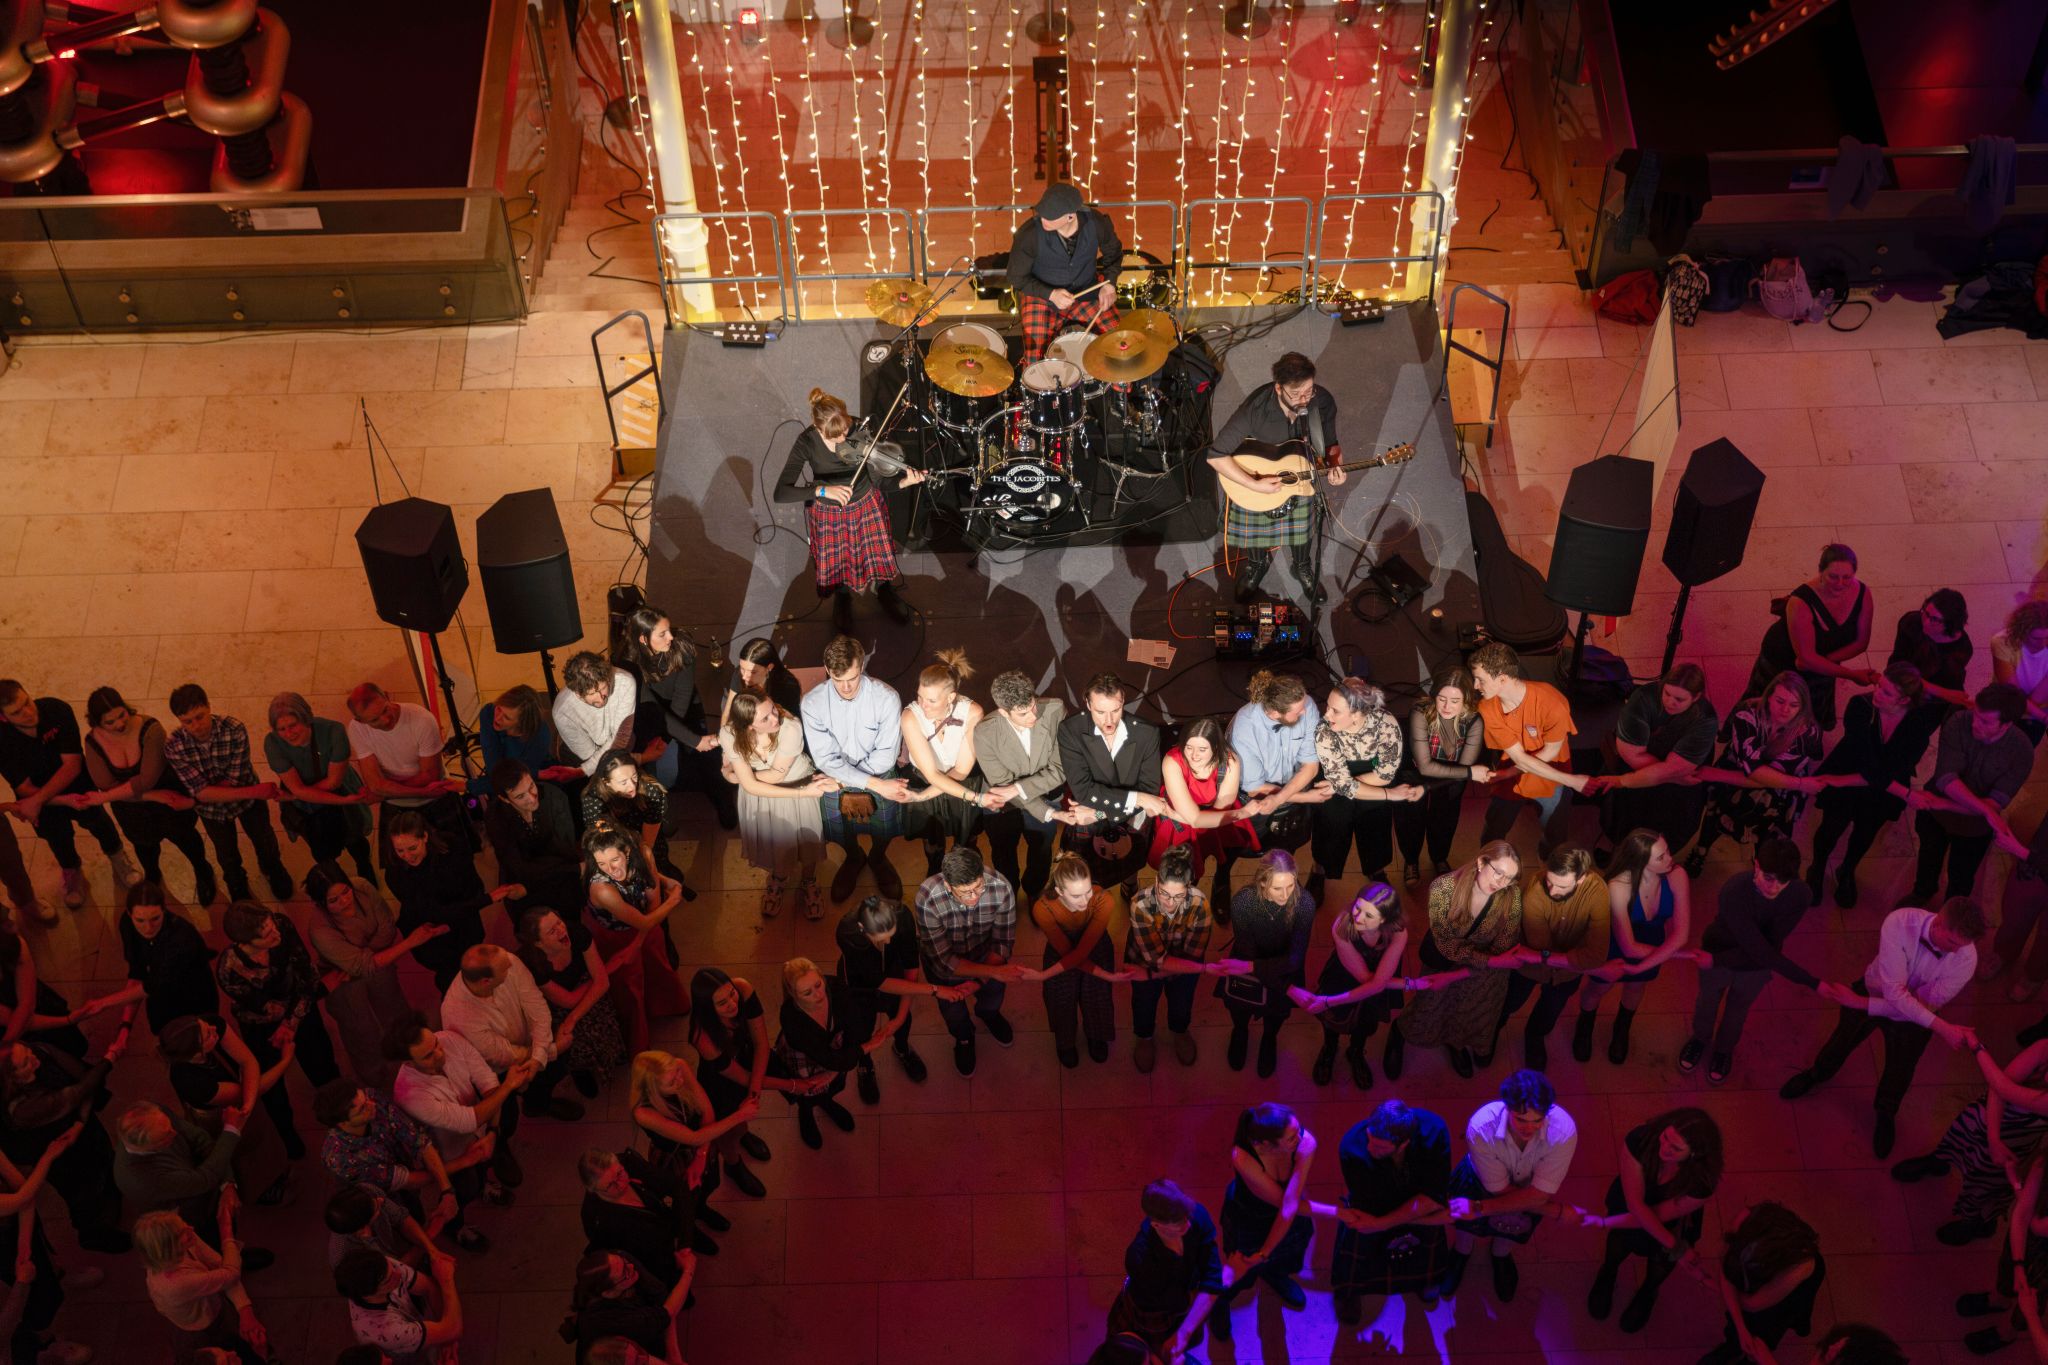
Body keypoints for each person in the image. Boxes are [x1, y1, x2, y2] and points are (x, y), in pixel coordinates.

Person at [1780, 896, 1986, 1156]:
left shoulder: (1966, 958)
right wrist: (1943, 1028)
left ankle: (1886, 1112)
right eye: (1953, 943)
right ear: (1938, 924)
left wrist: (1859, 1003)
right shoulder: (1899, 923)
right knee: (1841, 1040)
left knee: (1901, 1068)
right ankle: (1817, 1074)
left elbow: (1920, 1003)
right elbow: (1895, 994)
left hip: (1906, 1014)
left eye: (1963, 946)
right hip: (1874, 990)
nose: (1957, 951)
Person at [1206, 352, 1346, 613]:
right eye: (1297, 394)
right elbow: (1215, 457)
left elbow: (1330, 441)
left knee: (1303, 530)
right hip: (1256, 481)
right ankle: (1256, 564)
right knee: (1256, 536)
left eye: (1309, 390)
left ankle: (1302, 565)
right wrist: (1255, 485)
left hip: (1299, 474)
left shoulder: (1321, 401)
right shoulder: (1254, 411)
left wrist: (1334, 465)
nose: (1304, 400)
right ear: (1278, 388)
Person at [773, 389, 922, 632]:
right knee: (839, 561)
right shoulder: (806, 442)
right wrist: (821, 491)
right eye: (835, 435)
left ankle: (884, 590)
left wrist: (905, 482)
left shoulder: (857, 431)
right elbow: (781, 493)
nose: (844, 438)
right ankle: (842, 597)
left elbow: (879, 480)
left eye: (845, 428)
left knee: (876, 552)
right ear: (818, 427)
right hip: (829, 512)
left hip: (865, 504)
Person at [1682, 837, 1826, 1086]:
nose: (1775, 887)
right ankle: (1700, 1039)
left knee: (1738, 1010)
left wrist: (1717, 959)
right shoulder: (1735, 891)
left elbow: (1763, 949)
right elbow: (1760, 948)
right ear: (1756, 865)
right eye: (1769, 878)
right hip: (1721, 954)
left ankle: (1723, 1051)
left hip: (1734, 960)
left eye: (1784, 881)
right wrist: (1813, 983)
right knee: (1707, 1003)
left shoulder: (1800, 894)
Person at [1805, 662, 1945, 910]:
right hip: (1858, 773)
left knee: (1864, 834)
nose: (1876, 694)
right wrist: (1905, 793)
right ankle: (1817, 868)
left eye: (1886, 692)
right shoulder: (1860, 706)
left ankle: (1846, 870)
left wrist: (1838, 781)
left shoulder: (1918, 724)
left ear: (1904, 701)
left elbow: (1893, 768)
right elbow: (1866, 762)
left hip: (1871, 786)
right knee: (1830, 828)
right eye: (1880, 686)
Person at [1894, 1030, 2048, 1247]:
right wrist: (1992, 1134)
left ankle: (1975, 1223)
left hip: (2013, 1141)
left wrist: (1976, 1046)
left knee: (1983, 1186)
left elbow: (2004, 1087)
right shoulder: (2044, 1047)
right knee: (1957, 1138)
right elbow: (1999, 1087)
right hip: (1986, 1117)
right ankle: (1938, 1163)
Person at [214, 899, 342, 1157]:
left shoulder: (280, 924)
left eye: (271, 924)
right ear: (246, 942)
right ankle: (289, 1139)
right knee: (271, 1087)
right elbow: (268, 1007)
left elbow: (307, 976)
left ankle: (341, 1111)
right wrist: (286, 1024)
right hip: (261, 1027)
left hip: (300, 1010)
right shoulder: (229, 970)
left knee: (323, 1064)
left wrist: (291, 1025)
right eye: (266, 933)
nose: (276, 933)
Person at [1582, 1108, 1722, 1333]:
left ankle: (1648, 1292)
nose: (1664, 1148)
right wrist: (1678, 1249)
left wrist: (1605, 1222)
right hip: (1633, 1207)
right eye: (1665, 1137)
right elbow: (1636, 1206)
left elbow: (1655, 1216)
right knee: (1618, 1246)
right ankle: (1607, 1274)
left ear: (1694, 1153)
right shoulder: (1641, 1139)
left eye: (1675, 1148)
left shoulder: (1701, 1182)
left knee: (1660, 1264)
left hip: (1670, 1222)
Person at [1444, 1069, 1579, 1303]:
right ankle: (1461, 1250)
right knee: (1466, 1227)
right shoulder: (1480, 1128)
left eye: (1538, 1120)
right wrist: (1553, 1210)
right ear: (1507, 1107)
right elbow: (1501, 1190)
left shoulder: (1564, 1132)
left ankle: (1501, 1255)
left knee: (1513, 1228)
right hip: (1479, 1184)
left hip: (1520, 1194)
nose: (1530, 1128)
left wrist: (1478, 1207)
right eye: (1521, 1119)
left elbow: (1537, 1196)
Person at [0, 679, 134, 909]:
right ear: (3, 718)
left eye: (27, 702)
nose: (29, 712)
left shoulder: (57, 710)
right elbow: (23, 788)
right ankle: (71, 872)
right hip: (45, 802)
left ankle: (117, 856)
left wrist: (38, 801)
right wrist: (61, 800)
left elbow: (72, 765)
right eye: (17, 712)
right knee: (57, 838)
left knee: (99, 822)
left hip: (75, 786)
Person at [1393, 842, 1523, 1078]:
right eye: (1498, 872)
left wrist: (1486, 962)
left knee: (1467, 1014)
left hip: (1482, 978)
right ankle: (1399, 1034)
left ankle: (1456, 1044)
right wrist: (1491, 961)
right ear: (1482, 862)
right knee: (1427, 1008)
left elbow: (1505, 945)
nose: (1501, 883)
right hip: (1447, 964)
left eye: (1510, 878)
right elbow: (1445, 943)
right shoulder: (1443, 888)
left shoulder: (1511, 896)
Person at [801, 635, 915, 903]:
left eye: (851, 677)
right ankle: (853, 858)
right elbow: (825, 759)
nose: (845, 686)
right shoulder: (812, 703)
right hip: (848, 778)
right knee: (836, 831)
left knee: (886, 829)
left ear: (862, 665)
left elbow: (886, 757)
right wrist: (871, 784)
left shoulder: (886, 697)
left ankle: (877, 858)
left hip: (874, 774)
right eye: (837, 679)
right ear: (827, 670)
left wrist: (851, 780)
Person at [387, 1011, 534, 1218]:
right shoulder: (409, 1094)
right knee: (464, 1189)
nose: (440, 1053)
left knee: (482, 1169)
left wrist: (491, 1132)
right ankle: (456, 1225)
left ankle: (484, 1187)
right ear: (408, 1062)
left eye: (436, 1044)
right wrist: (508, 1085)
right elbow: (469, 1120)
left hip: (481, 1131)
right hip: (448, 1154)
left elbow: (490, 1086)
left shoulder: (450, 1039)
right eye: (428, 1055)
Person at [79, 686, 217, 904]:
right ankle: (153, 876)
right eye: (110, 722)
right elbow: (105, 786)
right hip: (134, 808)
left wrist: (111, 795)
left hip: (168, 796)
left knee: (186, 838)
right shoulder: (93, 742)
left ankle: (203, 870)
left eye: (122, 715)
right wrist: (153, 796)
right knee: (145, 847)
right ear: (97, 722)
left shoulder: (151, 728)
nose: (119, 724)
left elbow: (147, 780)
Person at [1689, 675, 1831, 880]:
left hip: (1771, 789)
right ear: (1768, 697)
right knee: (1717, 815)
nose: (1785, 710)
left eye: (1794, 705)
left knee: (1767, 833)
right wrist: (1800, 785)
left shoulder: (1808, 733)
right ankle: (1701, 850)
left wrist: (1718, 774)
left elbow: (1763, 776)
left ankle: (1760, 864)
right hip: (1769, 779)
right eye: (1780, 701)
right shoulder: (1747, 713)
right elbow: (1754, 771)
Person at [315, 1081, 482, 1253]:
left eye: (365, 1099)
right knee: (400, 1236)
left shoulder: (372, 1098)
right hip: (377, 1205)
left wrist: (447, 1190)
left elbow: (418, 1140)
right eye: (362, 1109)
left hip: (402, 1177)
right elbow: (408, 1180)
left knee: (416, 1213)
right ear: (342, 1124)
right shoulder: (341, 1158)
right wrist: (465, 1162)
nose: (372, 1104)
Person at [303, 862, 427, 1093]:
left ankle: (413, 1052)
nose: (345, 901)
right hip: (342, 981)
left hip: (360, 967)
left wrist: (363, 960)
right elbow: (365, 960)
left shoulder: (362, 887)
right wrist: (367, 961)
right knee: (361, 1031)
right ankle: (378, 1081)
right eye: (334, 900)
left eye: (345, 892)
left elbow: (388, 928)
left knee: (396, 1009)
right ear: (320, 903)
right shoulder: (319, 929)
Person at [164, 684, 292, 903]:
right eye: (188, 721)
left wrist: (205, 793)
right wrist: (206, 794)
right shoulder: (174, 746)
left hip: (245, 801)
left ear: (209, 707)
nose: (196, 726)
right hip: (225, 805)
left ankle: (272, 867)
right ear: (179, 720)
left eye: (200, 716)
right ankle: (235, 881)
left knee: (264, 839)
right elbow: (201, 792)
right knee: (226, 853)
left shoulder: (234, 729)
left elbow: (233, 779)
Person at [0, 1033, 127, 1253]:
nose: (35, 1058)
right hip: (59, 1153)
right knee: (83, 1192)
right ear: (12, 1080)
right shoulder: (22, 1109)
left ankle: (111, 1203)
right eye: (26, 1063)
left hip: (80, 1131)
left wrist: (80, 1122)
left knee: (104, 1164)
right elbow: (77, 1093)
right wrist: (111, 1057)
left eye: (28, 1051)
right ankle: (94, 1234)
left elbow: (85, 1082)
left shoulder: (39, 1050)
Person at [1329, 1099, 1454, 1322]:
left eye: (1379, 1147)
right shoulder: (1351, 1146)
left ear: (1403, 1143)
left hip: (1419, 1209)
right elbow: (1369, 1202)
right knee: (1357, 1257)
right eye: (1369, 1139)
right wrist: (1382, 1222)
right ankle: (1349, 1291)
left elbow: (1435, 1196)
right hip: (1374, 1209)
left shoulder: (1434, 1131)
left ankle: (1425, 1279)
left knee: (1425, 1254)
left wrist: (1385, 1223)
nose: (1369, 1148)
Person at [1576, 829, 1693, 1065]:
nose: (1670, 859)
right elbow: (1628, 947)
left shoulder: (1677, 875)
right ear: (1641, 863)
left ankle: (1622, 1026)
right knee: (1598, 988)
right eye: (1661, 857)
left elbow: (1681, 934)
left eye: (1668, 852)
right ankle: (1584, 1025)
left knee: (1636, 987)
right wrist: (1675, 954)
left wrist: (1657, 958)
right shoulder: (1618, 885)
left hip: (1652, 942)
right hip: (1616, 942)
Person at [1909, 683, 2032, 905]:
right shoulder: (1958, 722)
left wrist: (1944, 804)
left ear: (2006, 725)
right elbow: (1947, 781)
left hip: (1973, 829)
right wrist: (1986, 811)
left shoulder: (2021, 752)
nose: (1975, 724)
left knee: (1962, 877)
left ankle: (1950, 912)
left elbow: (1995, 803)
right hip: (1936, 817)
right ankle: (1922, 893)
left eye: (1985, 721)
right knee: (1928, 857)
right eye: (1976, 715)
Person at [912, 847, 1029, 1077]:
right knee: (954, 1014)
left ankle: (989, 1015)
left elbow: (1002, 942)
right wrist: (987, 975)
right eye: (966, 893)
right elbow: (944, 961)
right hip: (945, 971)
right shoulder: (927, 898)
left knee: (993, 997)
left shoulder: (1001, 887)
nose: (974, 897)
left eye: (979, 887)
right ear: (948, 886)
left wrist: (979, 980)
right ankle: (964, 1039)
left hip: (987, 957)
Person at [618, 604, 737, 830]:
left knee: (708, 758)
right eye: (662, 634)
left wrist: (685, 739)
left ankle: (723, 801)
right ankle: (661, 812)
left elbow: (682, 696)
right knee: (653, 767)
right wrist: (671, 738)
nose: (670, 636)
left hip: (685, 709)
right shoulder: (628, 660)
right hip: (650, 714)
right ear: (643, 639)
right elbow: (649, 704)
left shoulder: (682, 645)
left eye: (669, 629)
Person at [1580, 663, 1718, 857]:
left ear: (1696, 697)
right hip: (1645, 774)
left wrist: (1670, 774)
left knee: (1671, 819)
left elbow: (1675, 768)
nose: (1670, 702)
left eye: (1679, 699)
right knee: (1623, 812)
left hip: (1672, 788)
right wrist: (1674, 776)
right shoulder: (1643, 698)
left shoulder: (1705, 719)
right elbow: (1631, 754)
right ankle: (1614, 840)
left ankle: (1657, 854)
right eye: (1667, 694)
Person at [1493, 845, 1609, 1072]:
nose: (1553, 890)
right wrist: (1575, 958)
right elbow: (1540, 946)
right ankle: (1492, 1029)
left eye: (1562, 885)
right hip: (1529, 967)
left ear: (1582, 878)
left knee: (1551, 1009)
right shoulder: (1534, 892)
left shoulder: (1598, 891)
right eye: (1550, 881)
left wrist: (1546, 957)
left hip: (1562, 972)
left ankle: (1534, 1035)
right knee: (1508, 1001)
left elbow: (1597, 955)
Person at [720, 689, 831, 920]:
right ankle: (778, 879)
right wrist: (745, 779)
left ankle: (809, 881)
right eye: (765, 718)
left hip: (798, 788)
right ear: (749, 726)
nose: (775, 718)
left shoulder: (790, 727)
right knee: (776, 844)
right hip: (761, 797)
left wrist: (738, 776)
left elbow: (776, 777)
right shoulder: (729, 734)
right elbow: (751, 785)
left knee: (807, 842)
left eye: (773, 709)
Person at [1207, 1103, 1317, 1338]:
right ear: (1265, 1145)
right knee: (1242, 1269)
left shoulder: (1305, 1142)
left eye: (1298, 1129)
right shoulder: (1243, 1156)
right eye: (1290, 1138)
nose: (1300, 1138)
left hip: (1291, 1213)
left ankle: (1276, 1276)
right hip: (1250, 1217)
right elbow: (1285, 1205)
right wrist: (1336, 1212)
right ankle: (1220, 1303)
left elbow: (1290, 1206)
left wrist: (1266, 1254)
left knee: (1286, 1258)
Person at [1124, 845, 1236, 1073]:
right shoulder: (1140, 903)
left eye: (1178, 895)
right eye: (1164, 893)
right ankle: (1144, 1036)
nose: (1170, 902)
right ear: (1156, 883)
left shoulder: (1201, 905)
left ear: (1189, 886)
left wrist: (1148, 974)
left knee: (1182, 1001)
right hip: (1150, 961)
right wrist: (1202, 969)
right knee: (1143, 1003)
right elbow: (1157, 959)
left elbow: (1190, 956)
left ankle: (1179, 1030)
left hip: (1163, 966)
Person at [157, 1016, 290, 1205]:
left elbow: (248, 1062)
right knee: (243, 1159)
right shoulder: (192, 1082)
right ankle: (264, 1192)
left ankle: (274, 1176)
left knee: (262, 1143)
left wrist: (247, 1107)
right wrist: (286, 1060)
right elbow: (248, 1090)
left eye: (206, 1026)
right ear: (195, 1054)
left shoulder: (208, 1025)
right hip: (219, 1122)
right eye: (207, 1035)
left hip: (240, 1112)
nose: (213, 1028)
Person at [1746, 542, 1878, 731]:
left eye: (1847, 577)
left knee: (1806, 718)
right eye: (1833, 576)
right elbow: (1804, 659)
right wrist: (1850, 674)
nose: (1840, 584)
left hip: (1822, 663)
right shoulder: (1800, 602)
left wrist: (1823, 662)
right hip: (1782, 662)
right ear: (1820, 571)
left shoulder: (1863, 593)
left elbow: (1861, 642)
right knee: (1771, 711)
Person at [384, 809, 519, 993]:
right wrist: (486, 900)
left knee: (476, 960)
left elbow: (471, 884)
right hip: (432, 932)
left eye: (412, 848)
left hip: (463, 920)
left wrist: (468, 909)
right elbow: (432, 912)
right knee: (449, 977)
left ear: (425, 837)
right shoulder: (396, 873)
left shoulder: (452, 846)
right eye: (400, 850)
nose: (407, 856)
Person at [442, 944, 581, 1122]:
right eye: (506, 968)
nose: (512, 964)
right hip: (496, 1072)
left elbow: (536, 1006)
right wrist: (553, 1050)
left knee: (549, 1077)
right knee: (506, 1117)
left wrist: (539, 1055)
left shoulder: (508, 961)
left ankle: (538, 1106)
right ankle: (501, 1143)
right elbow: (503, 1055)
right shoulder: (458, 1015)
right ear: (486, 981)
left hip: (532, 1043)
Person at [686, 968, 792, 1200]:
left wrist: (752, 1095)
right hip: (721, 1081)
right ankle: (733, 1165)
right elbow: (742, 1078)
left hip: (746, 1057)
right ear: (707, 1008)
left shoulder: (743, 988)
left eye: (731, 994)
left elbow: (761, 1044)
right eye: (722, 1003)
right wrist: (791, 1085)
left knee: (741, 1122)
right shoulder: (701, 1036)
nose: (733, 1004)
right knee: (728, 1130)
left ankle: (743, 1134)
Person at [1224, 671, 1331, 901]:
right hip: (1253, 798)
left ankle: (1283, 880)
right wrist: (1308, 796)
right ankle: (1222, 879)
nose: (1306, 711)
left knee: (1288, 843)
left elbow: (1310, 766)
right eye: (1298, 711)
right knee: (1235, 847)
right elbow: (1254, 788)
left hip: (1291, 790)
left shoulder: (1306, 704)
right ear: (1274, 713)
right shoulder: (1245, 728)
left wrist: (1283, 798)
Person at [1290, 882, 1408, 1089]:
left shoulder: (1398, 932)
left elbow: (1377, 984)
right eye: (1358, 907)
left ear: (1386, 920)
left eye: (1369, 916)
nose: (1358, 918)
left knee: (1366, 1023)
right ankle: (1329, 1048)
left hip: (1374, 987)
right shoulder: (1342, 925)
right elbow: (1367, 979)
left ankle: (1355, 1052)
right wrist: (1406, 984)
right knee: (1333, 1020)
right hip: (1342, 978)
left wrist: (1326, 1001)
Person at [583, 823, 687, 1056]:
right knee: (629, 985)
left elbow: (652, 900)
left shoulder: (644, 853)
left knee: (657, 964)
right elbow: (644, 922)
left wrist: (662, 883)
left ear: (627, 852)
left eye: (615, 860)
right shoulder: (602, 889)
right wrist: (674, 899)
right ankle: (637, 1035)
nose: (610, 869)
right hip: (616, 937)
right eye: (601, 864)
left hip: (648, 925)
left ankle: (665, 1006)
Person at [1057, 673, 1167, 892]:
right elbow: (1083, 789)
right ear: (1087, 703)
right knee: (1088, 868)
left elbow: (1150, 789)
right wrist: (1138, 798)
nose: (1109, 721)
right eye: (1100, 712)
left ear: (1123, 700)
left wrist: (1099, 813)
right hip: (1118, 808)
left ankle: (1129, 883)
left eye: (1115, 710)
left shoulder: (1147, 732)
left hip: (1101, 812)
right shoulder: (1071, 730)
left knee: (1132, 859)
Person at [625, 1050, 753, 1236]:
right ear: (652, 1089)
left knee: (710, 1182)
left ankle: (701, 1210)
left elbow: (707, 1111)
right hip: (675, 1157)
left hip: (703, 1144)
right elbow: (693, 1137)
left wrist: (701, 1157)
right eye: (671, 1082)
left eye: (677, 1072)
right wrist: (740, 1115)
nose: (680, 1079)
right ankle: (687, 1228)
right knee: (684, 1197)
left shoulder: (679, 1065)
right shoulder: (643, 1112)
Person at [975, 671, 1077, 904]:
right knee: (1003, 850)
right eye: (1023, 713)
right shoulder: (985, 732)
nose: (1033, 716)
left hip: (1046, 793)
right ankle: (1008, 894)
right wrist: (1048, 812)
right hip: (1001, 802)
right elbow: (1003, 788)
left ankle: (1034, 891)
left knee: (1042, 848)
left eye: (1033, 706)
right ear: (1003, 712)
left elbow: (1060, 770)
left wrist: (1017, 788)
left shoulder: (1054, 709)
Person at [1469, 644, 1580, 856]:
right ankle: (1487, 861)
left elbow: (1549, 753)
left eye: (1480, 679)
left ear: (1502, 679)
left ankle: (1550, 866)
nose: (1475, 686)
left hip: (1552, 772)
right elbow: (1518, 755)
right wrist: (1507, 774)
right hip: (1514, 767)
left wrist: (1506, 774)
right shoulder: (1487, 707)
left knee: (1556, 834)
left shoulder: (1552, 703)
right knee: (1494, 828)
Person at [1311, 678, 1419, 892]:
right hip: (1338, 779)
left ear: (1358, 714)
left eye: (1335, 710)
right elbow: (1339, 779)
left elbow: (1385, 774)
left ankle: (1375, 869)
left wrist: (1341, 785)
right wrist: (1389, 794)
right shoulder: (1324, 729)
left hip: (1368, 780)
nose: (1326, 715)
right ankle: (1320, 869)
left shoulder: (1386, 723)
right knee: (1330, 826)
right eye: (1327, 706)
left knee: (1375, 825)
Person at [1216, 850, 1316, 1079]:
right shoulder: (1244, 901)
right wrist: (1286, 988)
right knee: (1239, 1007)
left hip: (1274, 968)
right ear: (1262, 882)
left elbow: (1295, 958)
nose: (1285, 895)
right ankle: (1240, 1031)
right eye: (1277, 888)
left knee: (1276, 1014)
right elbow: (1247, 950)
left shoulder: (1304, 903)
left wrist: (1253, 968)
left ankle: (1269, 1038)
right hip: (1261, 966)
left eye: (1290, 886)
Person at [1103, 1179, 1227, 1363]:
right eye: (1178, 1223)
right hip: (1153, 1315)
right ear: (1156, 1225)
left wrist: (1208, 1292)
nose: (1188, 1225)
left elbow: (1212, 1274)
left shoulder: (1196, 1214)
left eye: (1187, 1216)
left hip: (1183, 1305)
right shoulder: (1139, 1257)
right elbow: (1175, 1300)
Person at [134, 1202, 270, 1365]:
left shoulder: (181, 1243)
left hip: (210, 1308)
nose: (191, 1229)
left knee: (237, 1348)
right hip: (202, 1329)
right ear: (168, 1248)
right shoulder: (175, 1283)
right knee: (232, 1352)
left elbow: (221, 1267)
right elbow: (230, 1273)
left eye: (184, 1225)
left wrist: (244, 1309)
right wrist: (226, 1231)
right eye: (183, 1232)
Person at [898, 651, 995, 879]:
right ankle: (936, 874)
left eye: (931, 700)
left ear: (951, 697)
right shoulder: (910, 716)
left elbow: (961, 770)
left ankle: (967, 875)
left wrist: (921, 797)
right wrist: (923, 797)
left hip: (961, 780)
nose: (922, 705)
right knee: (932, 841)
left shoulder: (973, 712)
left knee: (966, 840)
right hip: (924, 778)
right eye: (920, 696)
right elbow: (931, 774)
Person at [1006, 182, 1124, 363]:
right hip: (1042, 297)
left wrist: (1109, 283)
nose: (1043, 217)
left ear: (1070, 216)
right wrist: (1051, 294)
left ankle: (1119, 390)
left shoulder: (1096, 222)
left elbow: (1113, 252)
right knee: (1034, 357)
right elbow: (1016, 277)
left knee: (1119, 343)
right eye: (1042, 212)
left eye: (1050, 216)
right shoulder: (1029, 234)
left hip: (1087, 290)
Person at [345, 682, 468, 855]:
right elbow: (375, 784)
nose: (386, 720)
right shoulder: (356, 729)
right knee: (402, 860)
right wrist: (423, 792)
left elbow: (430, 776)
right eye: (374, 720)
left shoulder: (422, 719)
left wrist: (385, 789)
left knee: (454, 853)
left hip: (425, 799)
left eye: (385, 710)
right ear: (360, 721)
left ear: (387, 696)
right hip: (413, 798)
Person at [771, 956, 881, 1149]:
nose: (818, 994)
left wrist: (834, 1070)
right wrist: (862, 1049)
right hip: (805, 1057)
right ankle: (806, 1113)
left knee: (835, 1084)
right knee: (807, 1092)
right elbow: (826, 1057)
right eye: (807, 993)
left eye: (818, 984)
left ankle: (827, 1102)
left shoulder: (836, 987)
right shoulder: (791, 1017)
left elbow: (854, 1024)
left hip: (836, 1053)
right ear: (793, 995)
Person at [263, 691, 375, 879]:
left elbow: (334, 782)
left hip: (339, 792)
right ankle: (336, 878)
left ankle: (363, 865)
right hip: (314, 804)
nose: (289, 734)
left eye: (293, 725)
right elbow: (299, 788)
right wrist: (298, 793)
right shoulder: (272, 742)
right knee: (320, 846)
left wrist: (294, 796)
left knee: (354, 837)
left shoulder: (334, 731)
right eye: (282, 729)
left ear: (306, 718)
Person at [112, 1100, 258, 1245]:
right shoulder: (141, 1178)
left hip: (200, 1182)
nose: (175, 1132)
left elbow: (201, 1139)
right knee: (208, 1242)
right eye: (166, 1137)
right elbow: (204, 1179)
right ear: (147, 1148)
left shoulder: (157, 1116)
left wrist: (228, 1185)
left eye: (170, 1125)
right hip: (184, 1216)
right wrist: (232, 1130)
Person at [1031, 855, 1128, 1069]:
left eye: (1088, 891)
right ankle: (1065, 1042)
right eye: (1076, 896)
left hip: (1095, 947)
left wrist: (1044, 975)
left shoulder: (1104, 899)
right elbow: (1068, 952)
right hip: (1061, 951)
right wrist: (1107, 975)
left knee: (1097, 997)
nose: (1085, 901)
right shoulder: (1042, 908)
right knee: (1061, 999)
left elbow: (1083, 950)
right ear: (1059, 892)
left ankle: (1096, 1035)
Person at [517, 909, 627, 1100]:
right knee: (573, 1041)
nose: (561, 930)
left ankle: (613, 1055)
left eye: (559, 922)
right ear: (538, 943)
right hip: (558, 1003)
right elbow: (568, 1000)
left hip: (584, 988)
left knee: (603, 1021)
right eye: (552, 931)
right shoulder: (532, 962)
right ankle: (581, 1072)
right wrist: (603, 972)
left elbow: (603, 983)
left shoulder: (577, 933)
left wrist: (573, 1018)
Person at [1393, 667, 1486, 888]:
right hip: (1415, 771)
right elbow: (1425, 766)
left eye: (1455, 701)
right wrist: (1471, 772)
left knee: (1445, 818)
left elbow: (1463, 769)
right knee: (1409, 819)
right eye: (1441, 698)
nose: (1446, 707)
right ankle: (1411, 860)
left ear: (1466, 699)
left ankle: (1439, 857)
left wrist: (1466, 772)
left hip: (1450, 778)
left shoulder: (1474, 720)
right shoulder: (1420, 710)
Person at [833, 896, 934, 1099]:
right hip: (858, 983)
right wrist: (934, 989)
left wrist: (899, 1018)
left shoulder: (902, 916)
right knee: (860, 1028)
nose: (888, 941)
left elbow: (910, 966)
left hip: (892, 971)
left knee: (904, 1021)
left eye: (891, 934)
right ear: (863, 929)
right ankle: (864, 1062)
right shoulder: (848, 933)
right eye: (881, 938)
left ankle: (902, 1048)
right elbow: (878, 982)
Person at [1701, 1202, 1825, 1365]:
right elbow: (1728, 1269)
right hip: (1765, 1284)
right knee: (1741, 1326)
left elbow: (1752, 1303)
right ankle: (1734, 1346)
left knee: (1765, 1330)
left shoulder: (1801, 1265)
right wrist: (1740, 1327)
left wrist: (1721, 1289)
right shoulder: (1746, 1220)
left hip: (1786, 1294)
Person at [1147, 717, 1258, 886]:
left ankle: (1221, 879)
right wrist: (1242, 813)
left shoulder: (1229, 761)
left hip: (1206, 817)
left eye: (1202, 749)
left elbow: (1220, 809)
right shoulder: (1172, 761)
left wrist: (1178, 815)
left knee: (1225, 854)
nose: (1193, 755)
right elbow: (1195, 818)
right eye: (1189, 747)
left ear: (1215, 747)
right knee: (1186, 868)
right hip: (1187, 823)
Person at [104, 882, 220, 1035]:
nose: (148, 928)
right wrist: (125, 1026)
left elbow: (152, 985)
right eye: (140, 920)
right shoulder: (127, 924)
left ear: (164, 910)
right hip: (163, 998)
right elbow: (137, 971)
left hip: (194, 997)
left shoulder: (182, 937)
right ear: (129, 914)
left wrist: (103, 1004)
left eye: (155, 918)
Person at [577, 1148, 695, 1296]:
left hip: (667, 1224)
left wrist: (685, 1243)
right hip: (652, 1256)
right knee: (675, 1287)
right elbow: (622, 1255)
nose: (621, 1184)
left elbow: (677, 1186)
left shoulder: (628, 1163)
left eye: (620, 1173)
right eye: (610, 1185)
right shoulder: (596, 1219)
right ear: (593, 1190)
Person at [484, 758, 587, 919]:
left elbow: (565, 852)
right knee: (528, 923)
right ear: (504, 799)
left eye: (531, 786)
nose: (532, 798)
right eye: (520, 796)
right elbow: (515, 866)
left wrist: (528, 886)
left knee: (570, 907)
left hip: (554, 873)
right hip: (525, 878)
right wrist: (575, 869)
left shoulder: (555, 797)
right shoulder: (495, 816)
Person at [333, 1244, 461, 1365]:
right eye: (389, 1279)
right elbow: (454, 1329)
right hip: (407, 1351)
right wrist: (446, 1280)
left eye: (392, 1267)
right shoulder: (386, 1330)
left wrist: (445, 1336)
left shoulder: (381, 1267)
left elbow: (428, 1287)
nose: (399, 1274)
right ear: (368, 1294)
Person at [566, 1247, 695, 1365]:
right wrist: (688, 1269)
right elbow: (666, 1313)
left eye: (624, 1262)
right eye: (625, 1273)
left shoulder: (616, 1263)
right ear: (607, 1292)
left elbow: (659, 1294)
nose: (632, 1266)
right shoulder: (619, 1322)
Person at [582, 751, 687, 897]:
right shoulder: (593, 800)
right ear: (606, 783)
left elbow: (646, 845)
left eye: (634, 777)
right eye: (623, 782)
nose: (632, 786)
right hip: (614, 846)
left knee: (658, 869)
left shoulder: (651, 792)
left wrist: (653, 874)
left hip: (642, 839)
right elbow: (604, 844)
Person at [554, 652, 655, 779]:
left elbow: (620, 737)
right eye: (592, 694)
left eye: (603, 688)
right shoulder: (563, 712)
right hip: (582, 754)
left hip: (619, 742)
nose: (601, 699)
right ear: (578, 694)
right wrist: (641, 758)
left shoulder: (625, 682)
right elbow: (590, 757)